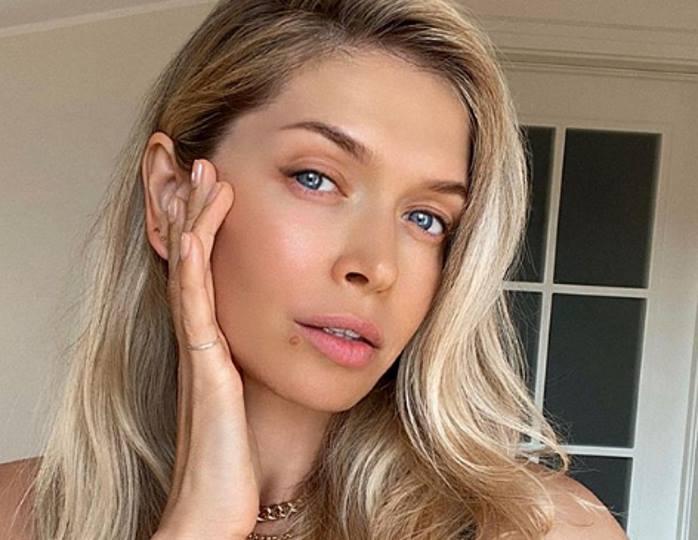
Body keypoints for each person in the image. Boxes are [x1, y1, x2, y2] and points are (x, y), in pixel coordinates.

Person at [0, 0, 629, 538]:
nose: (376, 266)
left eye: (426, 218)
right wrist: (199, 522)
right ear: (172, 197)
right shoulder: (17, 514)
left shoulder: (540, 527)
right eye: (316, 178)